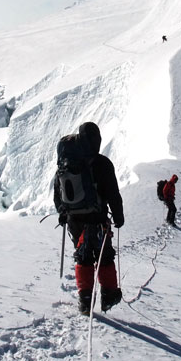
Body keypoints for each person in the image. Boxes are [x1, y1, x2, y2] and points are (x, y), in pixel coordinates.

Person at [54, 122, 125, 315]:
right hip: (97, 218)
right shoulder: (102, 163)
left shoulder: (67, 160)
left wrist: (62, 212)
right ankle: (109, 294)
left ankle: (85, 300)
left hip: (74, 219)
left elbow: (57, 190)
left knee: (83, 255)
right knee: (104, 256)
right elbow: (113, 193)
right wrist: (118, 216)